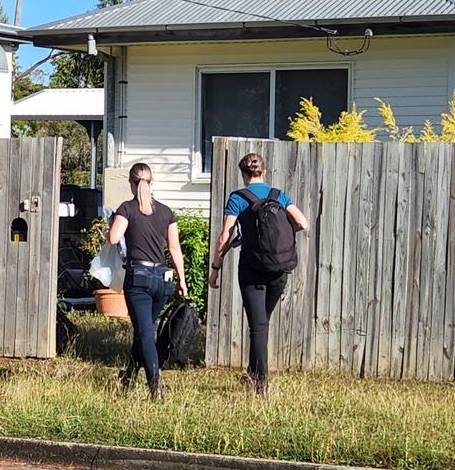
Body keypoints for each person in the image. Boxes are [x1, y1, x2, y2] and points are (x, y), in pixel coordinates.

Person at [208, 153, 309, 398]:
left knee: (258, 326)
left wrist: (216, 267)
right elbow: (303, 223)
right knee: (262, 323)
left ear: (243, 174)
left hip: (252, 269)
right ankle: (252, 374)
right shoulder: (279, 195)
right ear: (264, 171)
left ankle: (261, 385)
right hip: (279, 269)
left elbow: (225, 235)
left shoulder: (238, 198)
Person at [108, 163, 188, 400]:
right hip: (162, 280)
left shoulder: (127, 208)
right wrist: (182, 280)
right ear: (152, 183)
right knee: (142, 332)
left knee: (145, 334)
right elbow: (174, 248)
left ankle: (155, 388)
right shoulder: (166, 212)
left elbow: (114, 238)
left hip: (139, 279)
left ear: (132, 184)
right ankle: (128, 378)